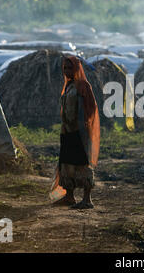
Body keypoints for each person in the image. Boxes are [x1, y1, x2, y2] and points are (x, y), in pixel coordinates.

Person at [50, 56, 100, 209]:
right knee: (66, 163)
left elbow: (91, 108)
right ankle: (69, 196)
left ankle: (87, 199)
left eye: (70, 68)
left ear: (77, 68)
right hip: (67, 131)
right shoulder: (69, 86)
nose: (67, 71)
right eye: (65, 68)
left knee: (82, 163)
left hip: (80, 132)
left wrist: (82, 124)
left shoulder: (83, 86)